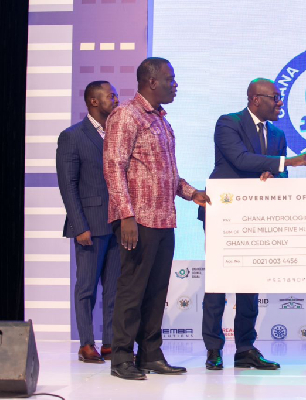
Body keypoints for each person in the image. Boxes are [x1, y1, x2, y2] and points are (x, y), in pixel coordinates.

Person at [104, 57, 211, 380]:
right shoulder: (126, 115)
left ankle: (150, 354)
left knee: (156, 292)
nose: (174, 85)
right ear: (152, 82)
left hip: (164, 219)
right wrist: (126, 215)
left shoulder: (161, 120)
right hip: (137, 221)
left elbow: (168, 176)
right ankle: (122, 357)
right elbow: (113, 167)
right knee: (132, 290)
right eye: (170, 79)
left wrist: (194, 194)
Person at [199, 78, 306, 370]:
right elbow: (239, 158)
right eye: (275, 97)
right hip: (225, 213)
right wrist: (283, 164)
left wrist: (274, 176)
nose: (280, 103)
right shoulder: (228, 123)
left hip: (256, 218)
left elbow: (278, 175)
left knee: (250, 284)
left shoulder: (277, 134)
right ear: (255, 99)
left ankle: (245, 348)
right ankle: (213, 348)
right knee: (218, 284)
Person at [56, 81, 121, 364]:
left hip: (119, 223)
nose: (116, 99)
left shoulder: (119, 134)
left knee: (115, 288)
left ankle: (109, 342)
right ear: (94, 102)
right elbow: (68, 185)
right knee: (86, 287)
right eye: (111, 96)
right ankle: (86, 343)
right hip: (90, 225)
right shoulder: (73, 136)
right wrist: (79, 225)